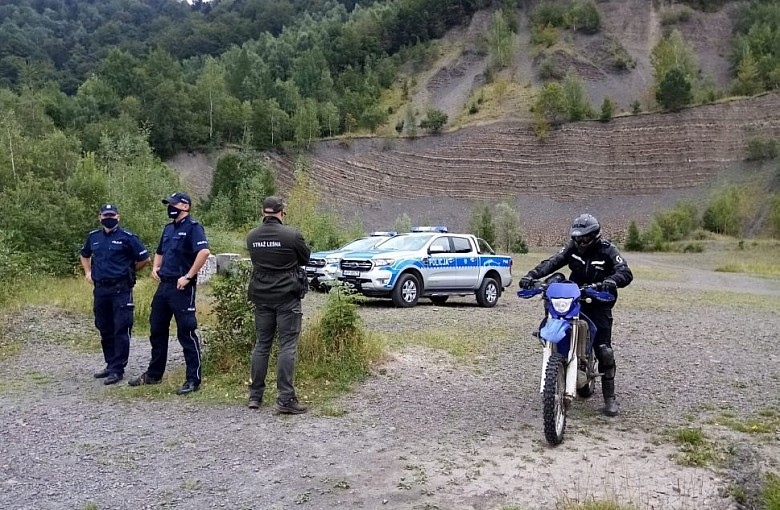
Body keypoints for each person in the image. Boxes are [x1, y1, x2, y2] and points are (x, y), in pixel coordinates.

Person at [519, 213, 633, 417]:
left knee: (604, 350)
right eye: (576, 238)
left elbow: (625, 271)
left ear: (595, 236)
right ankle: (550, 335)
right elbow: (552, 261)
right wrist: (532, 275)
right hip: (574, 297)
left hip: (598, 300)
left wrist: (612, 281)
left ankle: (610, 397)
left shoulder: (608, 250)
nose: (580, 242)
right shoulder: (572, 248)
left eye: (584, 238)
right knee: (555, 287)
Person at [128, 192, 211, 395]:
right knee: (157, 330)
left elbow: (204, 252)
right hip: (164, 286)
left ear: (185, 206)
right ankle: (154, 374)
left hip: (181, 288)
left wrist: (188, 276)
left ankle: (193, 379)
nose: (170, 208)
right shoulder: (168, 229)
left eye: (173, 204)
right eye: (168, 204)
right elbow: (159, 251)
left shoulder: (193, 228)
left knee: (186, 332)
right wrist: (156, 267)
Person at [246, 196, 311, 414]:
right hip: (287, 298)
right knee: (287, 345)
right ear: (282, 212)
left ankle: (255, 396)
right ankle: (285, 399)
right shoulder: (292, 235)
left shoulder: (252, 237)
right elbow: (305, 258)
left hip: (261, 297)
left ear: (263, 212)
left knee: (262, 344)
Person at [80, 203, 150, 385]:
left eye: (112, 215)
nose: (108, 218)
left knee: (121, 328)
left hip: (121, 289)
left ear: (118, 217)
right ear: (100, 217)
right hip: (101, 289)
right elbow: (84, 254)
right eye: (105, 215)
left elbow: (145, 258)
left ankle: (118, 369)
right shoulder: (93, 237)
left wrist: (129, 270)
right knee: (104, 327)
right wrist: (88, 273)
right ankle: (110, 364)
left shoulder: (128, 237)